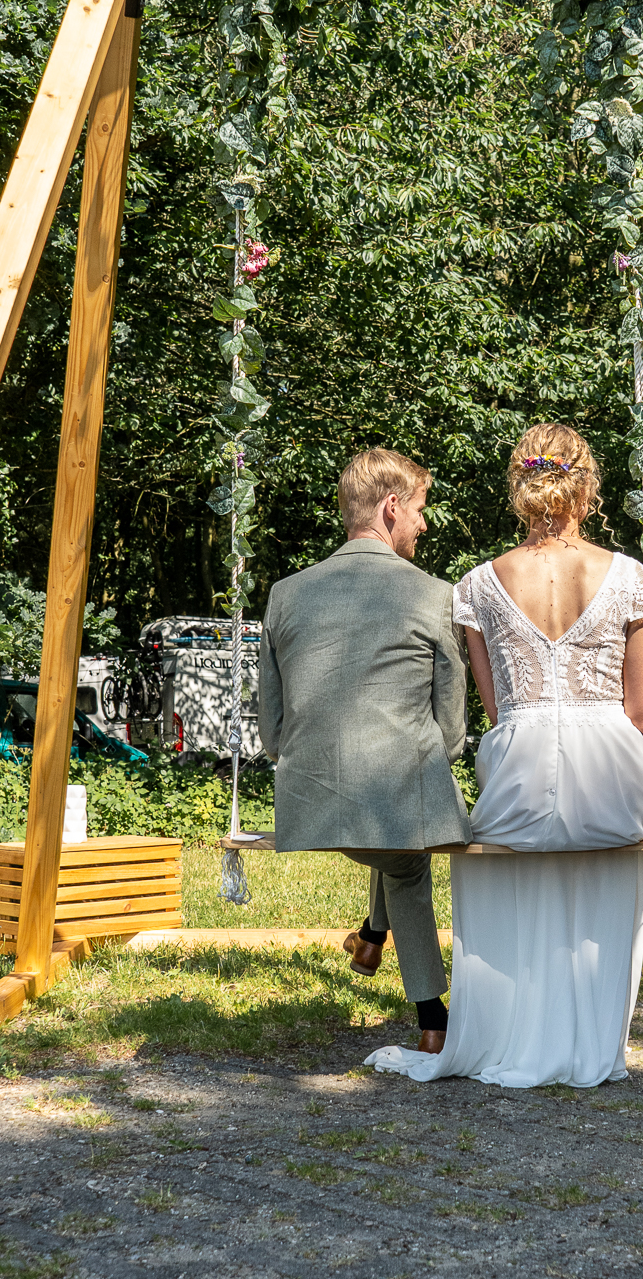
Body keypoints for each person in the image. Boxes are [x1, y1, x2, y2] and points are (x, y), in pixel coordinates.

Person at [366, 422, 643, 1087]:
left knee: (505, 871)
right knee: (602, 874)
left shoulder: (478, 584)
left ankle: (506, 1033)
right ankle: (589, 1048)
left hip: (520, 760)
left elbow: (498, 711)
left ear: (519, 487)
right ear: (584, 486)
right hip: (611, 772)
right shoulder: (628, 578)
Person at [257, 447, 471, 1052]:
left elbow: (271, 728)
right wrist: (440, 755)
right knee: (407, 859)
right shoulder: (432, 594)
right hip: (396, 790)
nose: (424, 525)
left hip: (312, 795)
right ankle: (433, 1020)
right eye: (421, 510)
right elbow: (451, 722)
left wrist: (300, 760)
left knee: (392, 835)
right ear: (392, 506)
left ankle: (371, 938)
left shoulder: (285, 593)